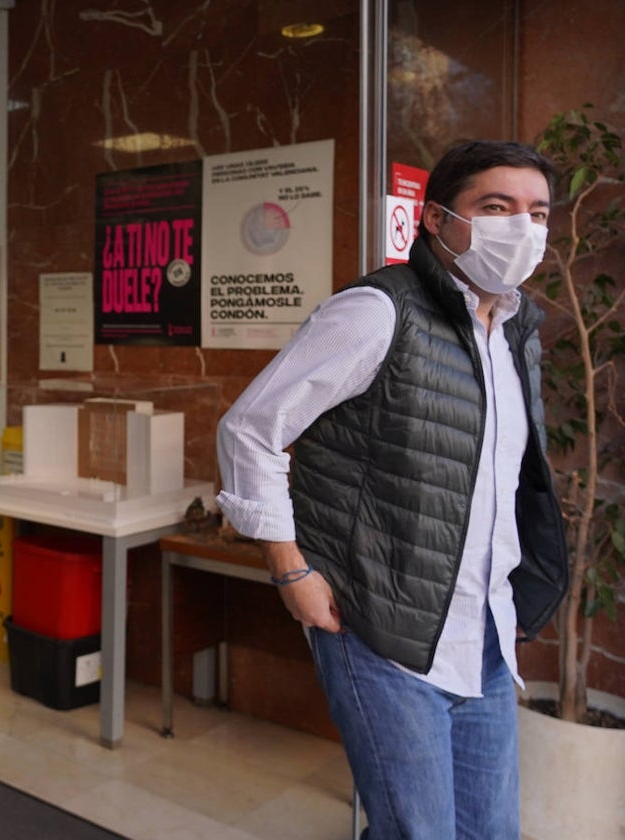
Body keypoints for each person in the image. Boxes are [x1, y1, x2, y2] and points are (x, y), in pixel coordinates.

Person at [216, 140, 568, 839]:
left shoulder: (516, 329)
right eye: (495, 208)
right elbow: (249, 429)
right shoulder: (379, 311)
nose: (521, 228)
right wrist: (291, 569)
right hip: (379, 627)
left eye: (537, 212)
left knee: (492, 832)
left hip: (486, 631)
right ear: (435, 219)